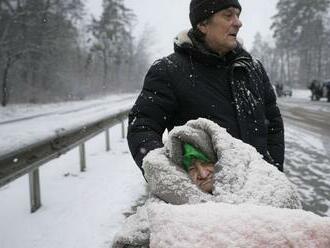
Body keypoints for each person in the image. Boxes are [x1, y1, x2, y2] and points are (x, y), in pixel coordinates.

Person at [127, 0, 285, 174]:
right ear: (202, 24)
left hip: (257, 191)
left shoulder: (253, 69)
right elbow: (142, 128)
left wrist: (273, 172)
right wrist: (175, 180)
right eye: (228, 15)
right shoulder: (168, 71)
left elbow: (273, 127)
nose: (238, 22)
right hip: (205, 197)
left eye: (238, 15)